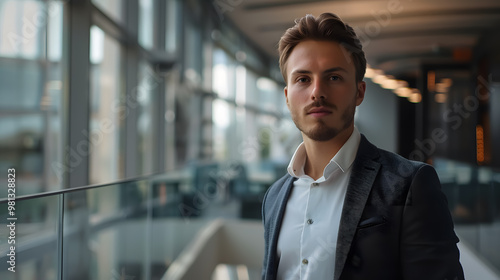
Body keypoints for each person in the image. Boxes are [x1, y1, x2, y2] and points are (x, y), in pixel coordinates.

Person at [261, 13, 464, 280]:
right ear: (287, 98)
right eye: (303, 79)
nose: (317, 92)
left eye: (333, 77)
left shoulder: (410, 185)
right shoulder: (274, 197)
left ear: (359, 92)